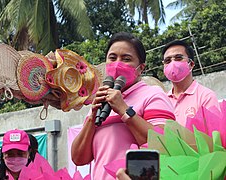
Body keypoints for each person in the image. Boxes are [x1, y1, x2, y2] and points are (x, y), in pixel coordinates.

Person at [71, 32, 175, 180]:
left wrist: (124, 110)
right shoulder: (101, 99)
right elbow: (78, 158)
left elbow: (164, 145)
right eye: (112, 58)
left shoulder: (153, 94)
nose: (118, 63)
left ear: (141, 68)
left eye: (126, 59)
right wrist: (92, 117)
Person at [162, 40, 220, 126]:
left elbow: (215, 132)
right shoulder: (163, 100)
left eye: (178, 58)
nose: (173, 63)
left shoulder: (206, 96)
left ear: (191, 64)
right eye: (167, 61)